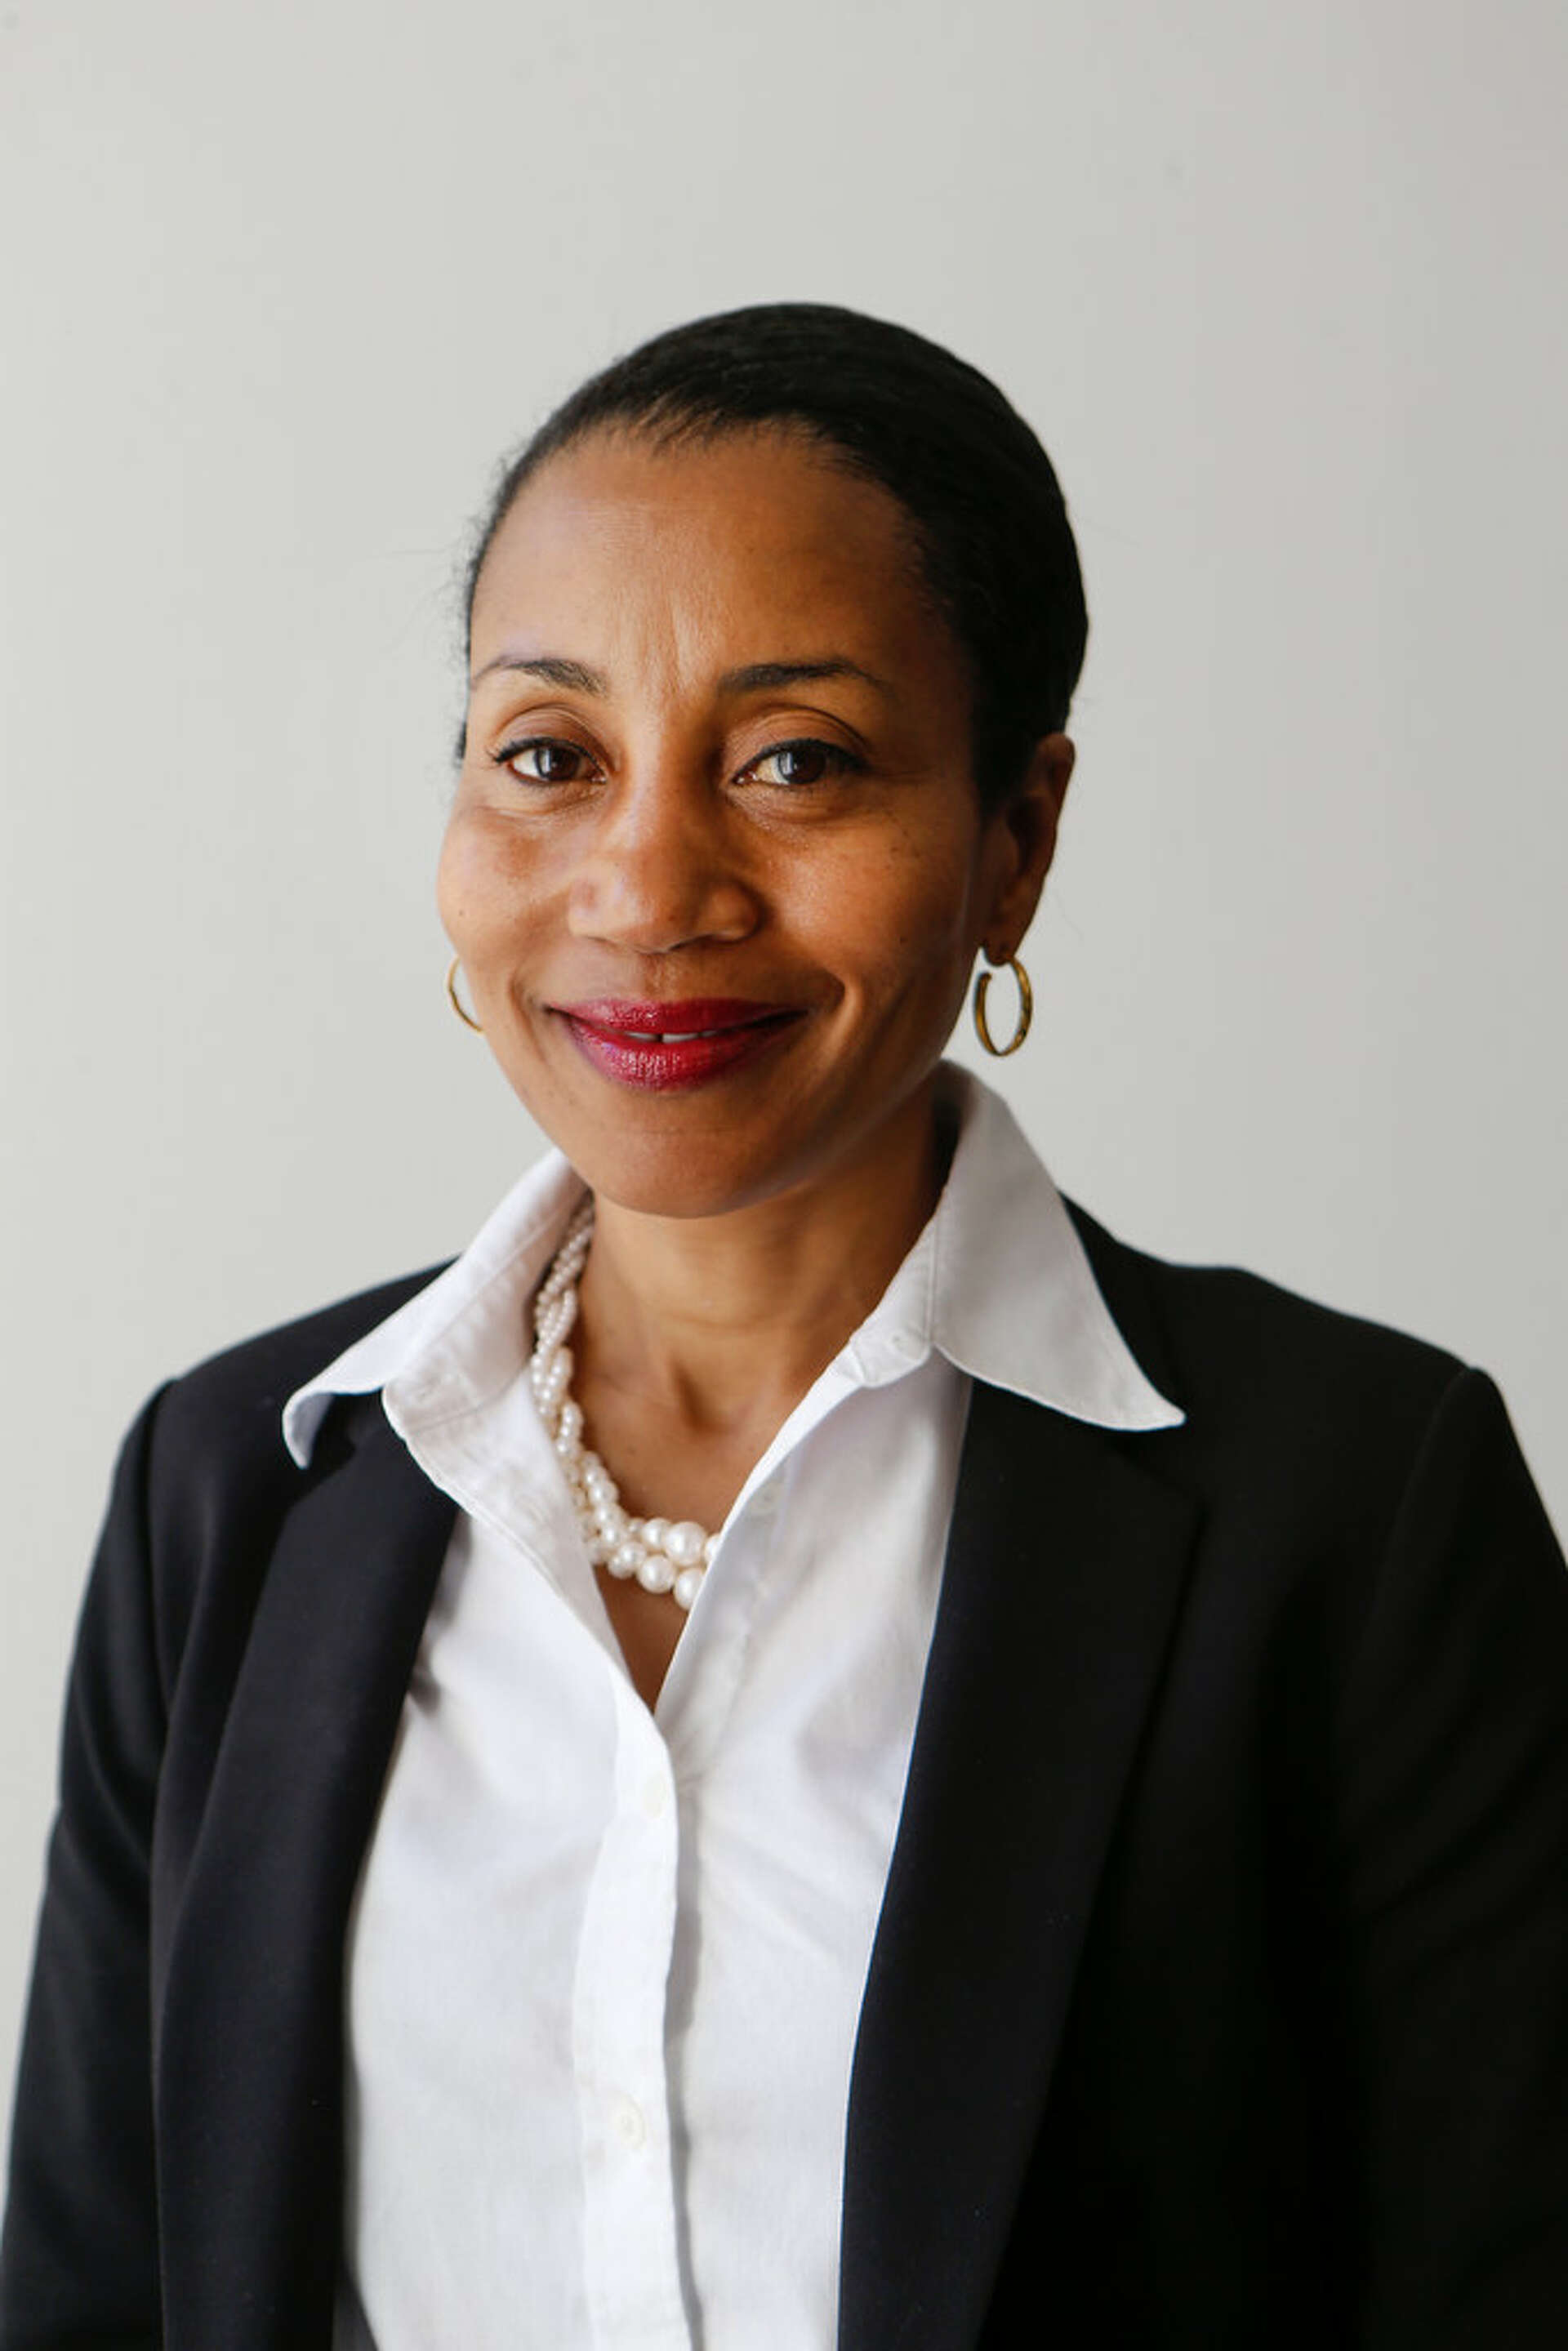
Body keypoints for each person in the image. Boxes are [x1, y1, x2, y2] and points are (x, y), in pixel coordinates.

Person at [2, 303, 1566, 2351]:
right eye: (549, 757)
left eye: (795, 763)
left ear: (1016, 841)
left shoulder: (1356, 1507)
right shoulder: (236, 1486)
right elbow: (98, 2295)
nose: (648, 889)